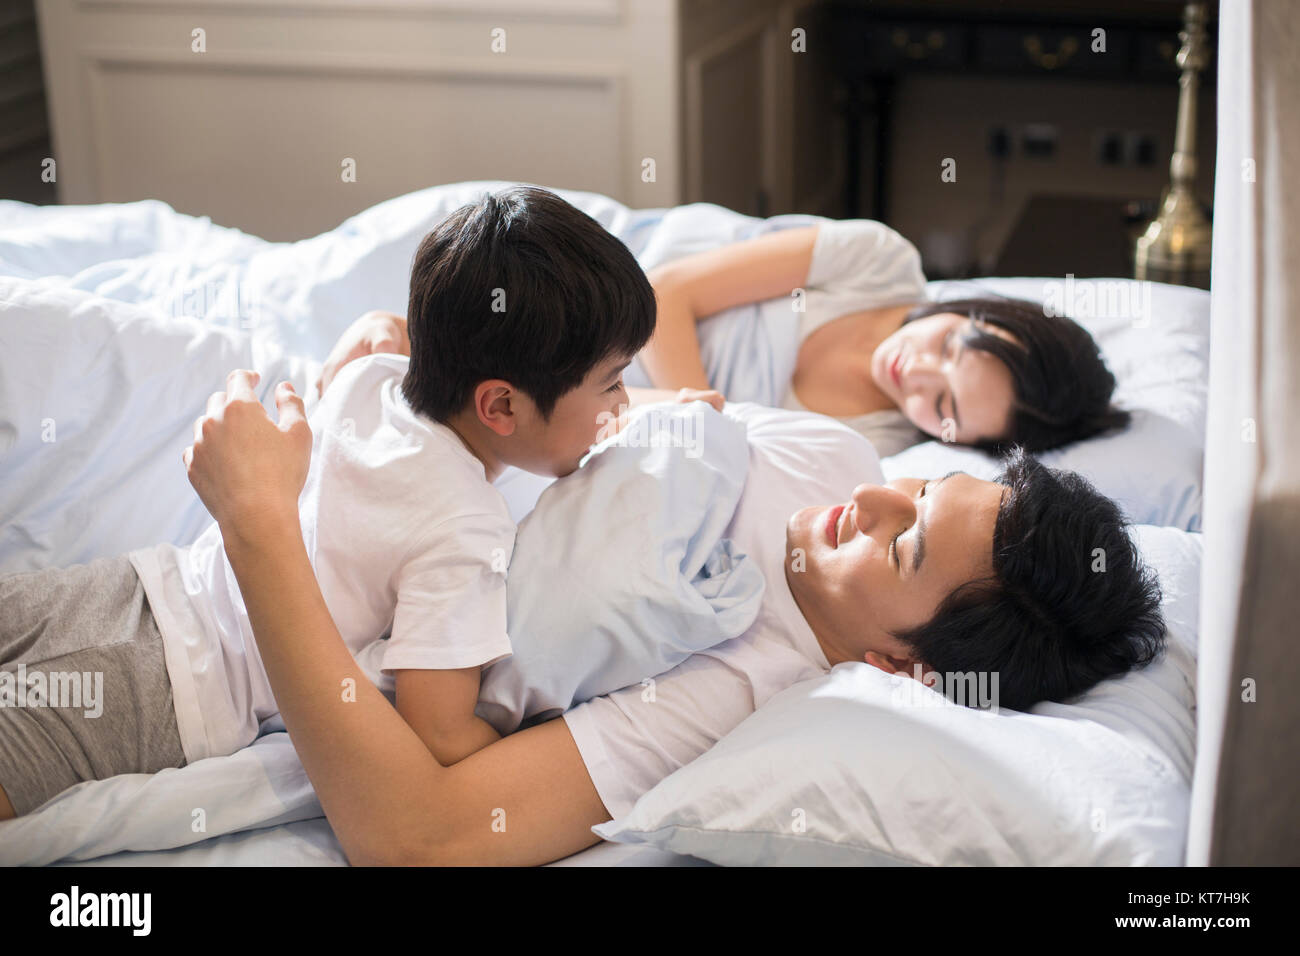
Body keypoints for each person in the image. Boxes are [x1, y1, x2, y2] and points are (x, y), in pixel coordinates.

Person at [46, 365, 1164, 864]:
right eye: (919, 485)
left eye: (904, 542)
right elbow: (635, 415)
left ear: (903, 665)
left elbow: (421, 837)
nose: (870, 495)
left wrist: (260, 527)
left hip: (189, 661)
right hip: (148, 575)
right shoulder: (825, 454)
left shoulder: (735, 686)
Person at [0, 185, 718, 819]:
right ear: (499, 403)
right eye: (615, 382)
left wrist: (664, 404)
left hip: (136, 586)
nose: (619, 407)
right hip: (171, 692)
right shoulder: (467, 532)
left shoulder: (374, 378)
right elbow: (437, 731)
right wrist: (534, 738)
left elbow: (416, 343)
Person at [634, 221, 1130, 456]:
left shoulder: (871, 446)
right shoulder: (879, 262)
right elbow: (665, 293)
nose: (915, 371)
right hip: (617, 284)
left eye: (941, 405)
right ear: (977, 311)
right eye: (949, 346)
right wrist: (697, 414)